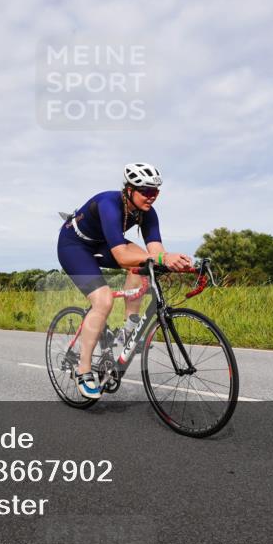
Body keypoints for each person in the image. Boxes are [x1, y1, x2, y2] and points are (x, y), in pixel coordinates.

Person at [57, 163, 192, 398]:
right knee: (103, 301)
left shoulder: (148, 213)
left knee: (142, 265)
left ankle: (129, 328)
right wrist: (162, 257)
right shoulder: (109, 204)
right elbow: (121, 256)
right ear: (129, 189)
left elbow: (156, 251)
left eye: (156, 192)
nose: (152, 197)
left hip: (102, 245)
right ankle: (84, 370)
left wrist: (174, 263)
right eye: (146, 192)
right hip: (74, 246)